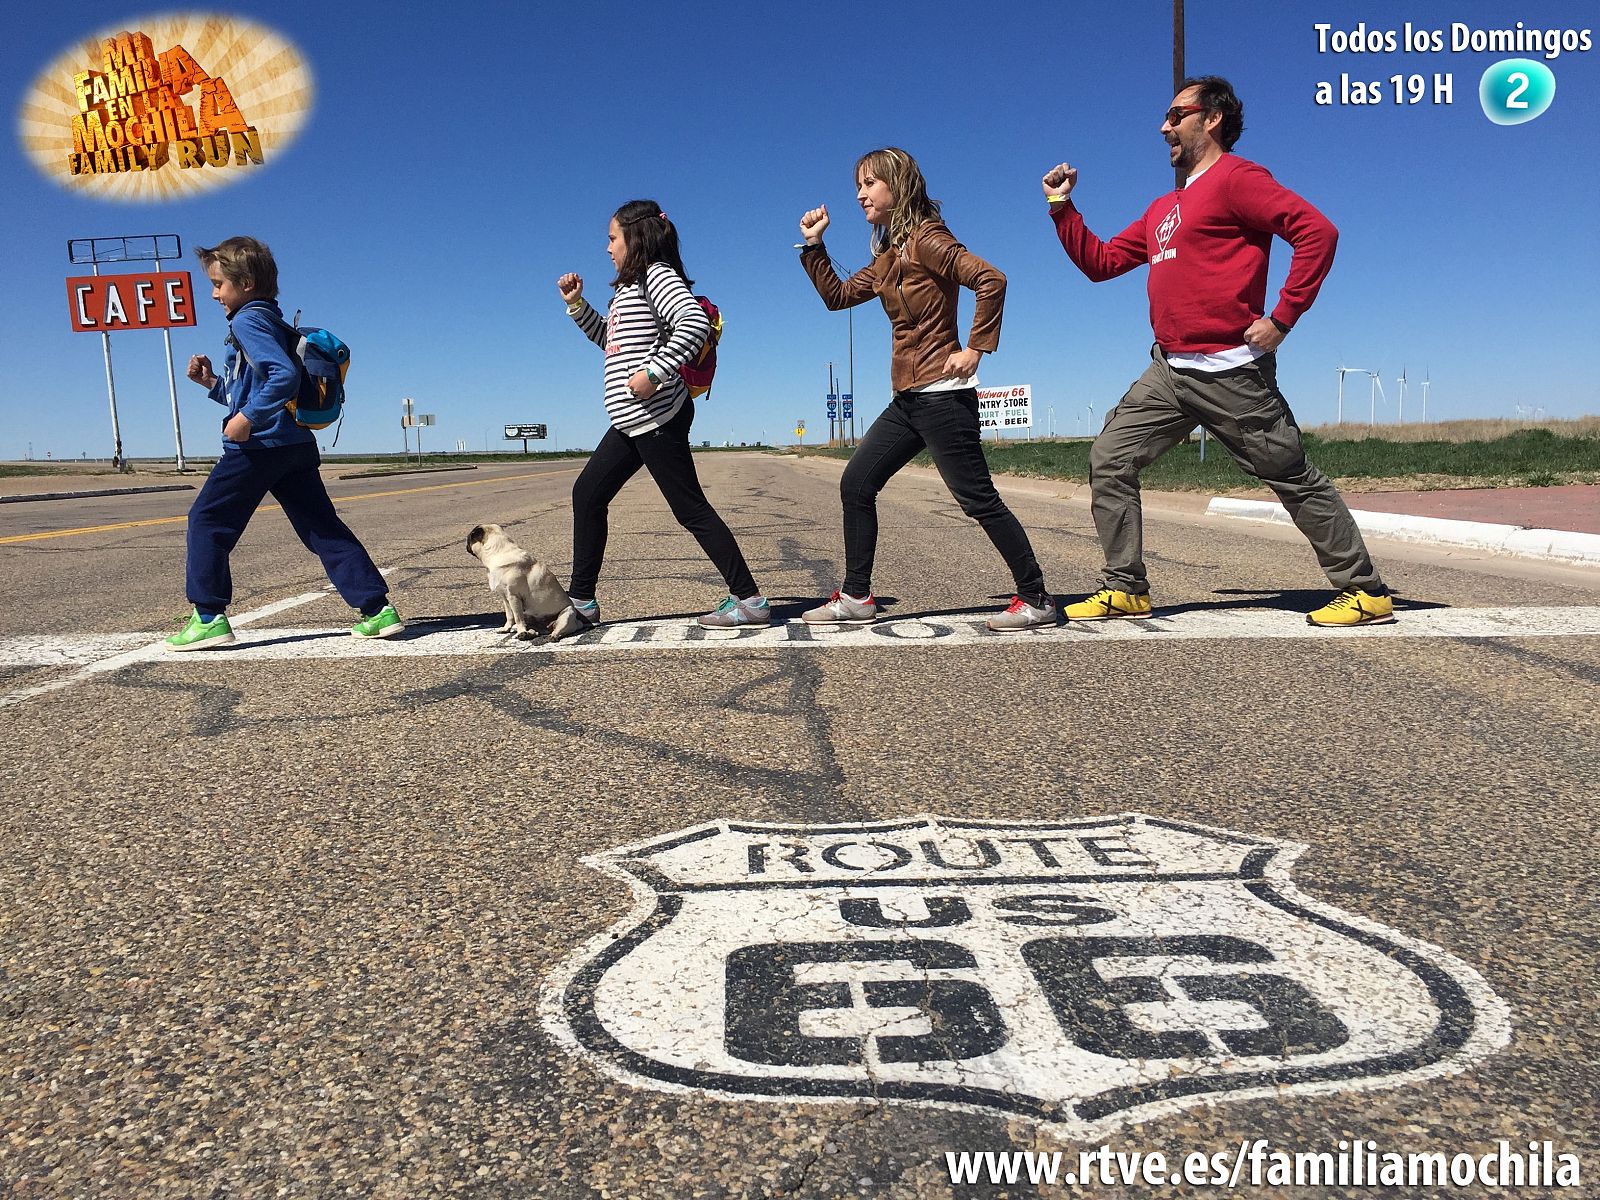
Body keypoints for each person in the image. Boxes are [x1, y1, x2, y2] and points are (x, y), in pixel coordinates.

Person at [1043, 76, 1393, 627]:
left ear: (1211, 119)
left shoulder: (1238, 180)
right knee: (1109, 460)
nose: (1164, 127)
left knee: (1291, 474)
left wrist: (1282, 317)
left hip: (1232, 372)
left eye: (1175, 114)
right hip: (1170, 370)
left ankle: (1364, 589)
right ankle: (1125, 587)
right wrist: (1063, 208)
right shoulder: (1165, 207)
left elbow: (1317, 232)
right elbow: (1102, 263)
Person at [797, 147, 1055, 632]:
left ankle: (1035, 596)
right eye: (859, 185)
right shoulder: (890, 253)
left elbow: (990, 279)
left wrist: (976, 348)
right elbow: (837, 297)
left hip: (943, 393)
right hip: (909, 400)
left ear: (899, 186)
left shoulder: (927, 239)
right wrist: (814, 246)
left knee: (976, 498)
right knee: (857, 482)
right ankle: (856, 596)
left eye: (871, 183)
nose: (860, 193)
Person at [166, 236, 401, 651]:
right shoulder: (273, 320)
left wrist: (246, 419)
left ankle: (207, 616)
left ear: (248, 283)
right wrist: (212, 385)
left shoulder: (247, 321)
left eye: (220, 284)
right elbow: (256, 386)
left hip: (261, 447)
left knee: (207, 521)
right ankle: (376, 610)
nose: (215, 294)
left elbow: (281, 378)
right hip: (294, 445)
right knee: (321, 527)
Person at [557, 200, 767, 629]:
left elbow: (694, 324)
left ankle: (750, 600)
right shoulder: (626, 292)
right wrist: (579, 307)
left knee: (689, 508)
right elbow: (610, 341)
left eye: (612, 238)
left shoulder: (657, 277)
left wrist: (655, 371)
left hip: (657, 418)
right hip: (630, 422)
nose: (607, 247)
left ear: (637, 238)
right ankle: (582, 603)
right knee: (588, 495)